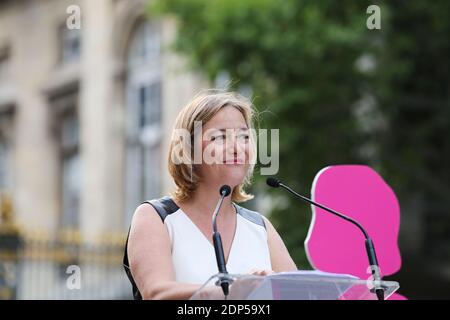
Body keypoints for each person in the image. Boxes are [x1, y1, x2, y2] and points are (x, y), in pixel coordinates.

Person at [124, 90, 296, 300]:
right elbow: (157, 293)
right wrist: (232, 291)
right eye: (220, 137)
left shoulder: (260, 227)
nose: (236, 147)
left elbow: (298, 292)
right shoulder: (156, 217)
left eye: (243, 136)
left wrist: (271, 288)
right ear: (189, 150)